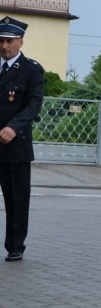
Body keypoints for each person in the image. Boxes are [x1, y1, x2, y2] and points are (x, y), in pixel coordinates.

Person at [0, 16, 44, 262]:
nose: (5, 46)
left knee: (17, 199)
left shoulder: (31, 70)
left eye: (9, 41)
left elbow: (33, 104)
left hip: (15, 144)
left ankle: (15, 246)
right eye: (1, 41)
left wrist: (13, 128)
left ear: (21, 42)